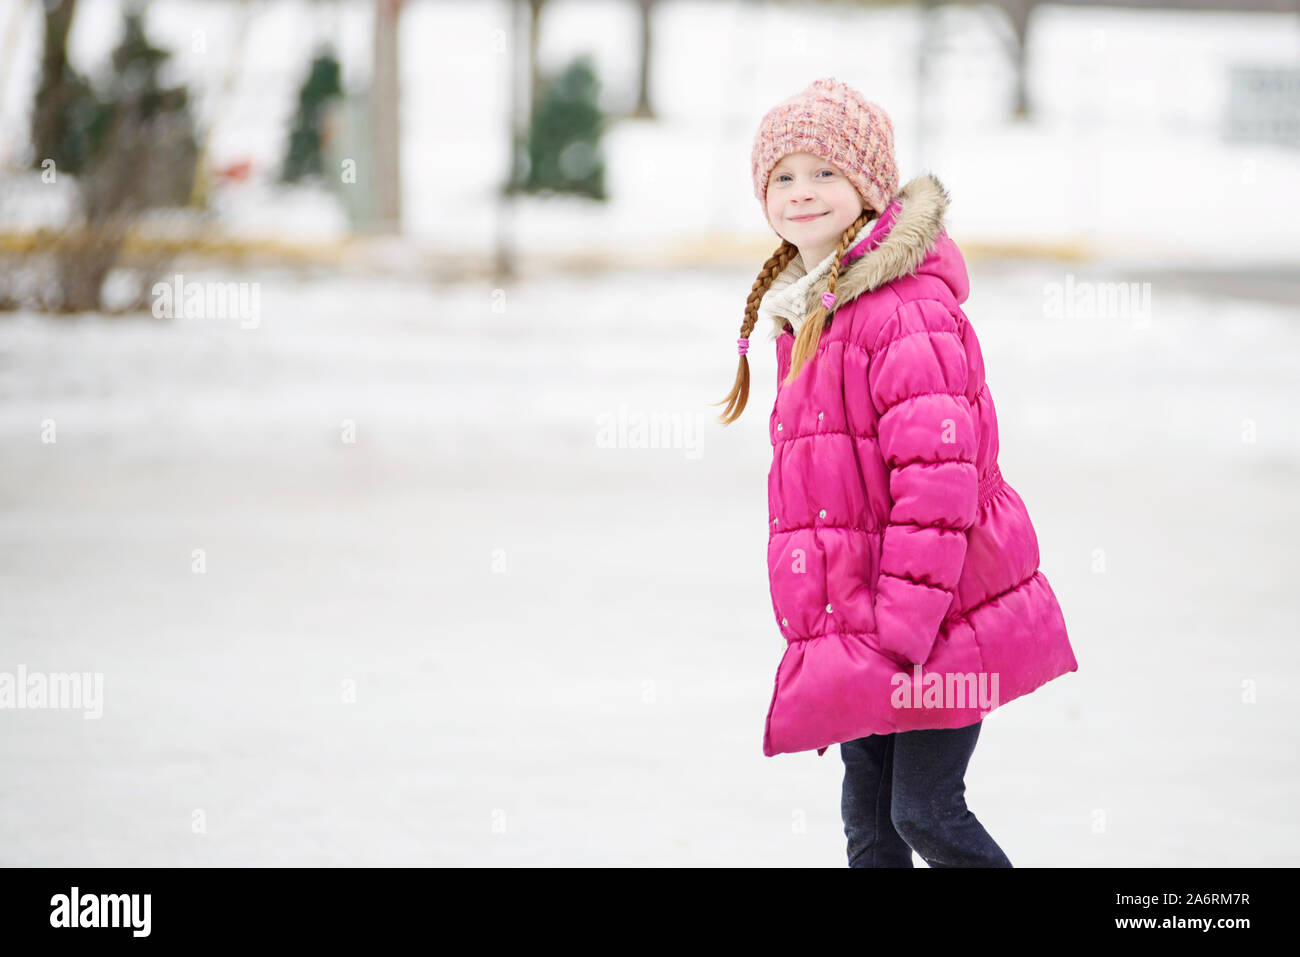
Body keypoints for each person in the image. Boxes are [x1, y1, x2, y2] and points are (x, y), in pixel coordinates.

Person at [716, 77, 1079, 867]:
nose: (801, 191)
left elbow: (937, 483)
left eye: (825, 173)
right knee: (871, 825)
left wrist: (902, 627)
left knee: (924, 812)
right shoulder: (816, 311)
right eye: (783, 176)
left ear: (869, 187)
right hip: (873, 623)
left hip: (934, 616)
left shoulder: (900, 309)